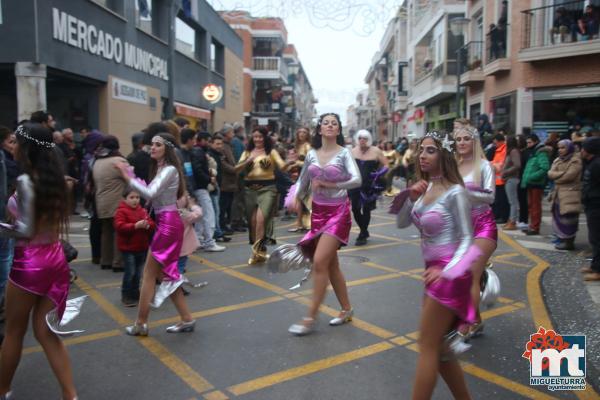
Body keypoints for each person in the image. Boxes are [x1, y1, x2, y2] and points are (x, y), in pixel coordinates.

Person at [0, 123, 83, 400]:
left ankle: (3, 390)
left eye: (16, 142)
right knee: (46, 333)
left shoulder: (25, 181)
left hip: (30, 263)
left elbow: (25, 230)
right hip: (55, 259)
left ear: (27, 148)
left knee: (14, 331)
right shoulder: (57, 181)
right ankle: (70, 395)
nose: (12, 146)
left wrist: (2, 226)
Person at [394, 131, 478, 400]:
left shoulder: (456, 193)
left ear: (444, 155)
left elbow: (468, 240)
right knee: (441, 350)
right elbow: (402, 223)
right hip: (434, 275)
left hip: (449, 275)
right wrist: (409, 196)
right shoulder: (426, 188)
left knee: (427, 346)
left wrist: (447, 270)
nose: (423, 155)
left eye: (430, 150)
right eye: (421, 150)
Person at [287, 113, 361, 336]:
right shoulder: (311, 154)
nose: (330, 126)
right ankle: (347, 309)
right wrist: (292, 199)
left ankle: (310, 317)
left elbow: (357, 180)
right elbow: (303, 181)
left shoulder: (344, 153)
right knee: (331, 265)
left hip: (338, 212)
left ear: (339, 130)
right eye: (325, 123)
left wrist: (329, 184)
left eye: (334, 123)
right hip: (317, 213)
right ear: (319, 129)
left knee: (319, 262)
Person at [115, 133, 195, 335]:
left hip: (168, 224)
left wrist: (128, 177)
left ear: (166, 149)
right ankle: (187, 319)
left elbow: (150, 193)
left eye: (157, 145)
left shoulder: (169, 169)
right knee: (168, 274)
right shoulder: (162, 168)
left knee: (149, 274)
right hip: (166, 222)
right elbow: (152, 196)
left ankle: (140, 323)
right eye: (151, 144)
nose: (153, 148)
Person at [453, 126, 497, 338]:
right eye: (458, 139)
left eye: (466, 139)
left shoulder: (485, 166)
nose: (461, 142)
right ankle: (476, 320)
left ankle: (468, 323)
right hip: (461, 228)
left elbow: (490, 196)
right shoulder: (454, 167)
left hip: (483, 225)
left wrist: (464, 190)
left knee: (471, 275)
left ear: (474, 142)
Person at [234, 127, 290, 265]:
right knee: (252, 223)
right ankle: (261, 248)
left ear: (265, 138)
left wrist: (290, 162)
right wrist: (247, 162)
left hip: (268, 189)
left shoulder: (271, 152)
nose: (258, 139)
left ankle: (257, 253)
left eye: (260, 136)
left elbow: (282, 167)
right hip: (249, 190)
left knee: (260, 221)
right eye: (255, 137)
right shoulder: (247, 152)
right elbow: (236, 169)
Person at [181, 130, 224, 253]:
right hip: (199, 187)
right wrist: (209, 179)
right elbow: (195, 171)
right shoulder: (196, 152)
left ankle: (199, 239)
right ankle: (209, 241)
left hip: (194, 188)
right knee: (208, 214)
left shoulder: (188, 153)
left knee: (201, 215)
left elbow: (190, 172)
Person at [114, 189, 155, 307]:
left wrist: (147, 225)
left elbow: (152, 224)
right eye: (132, 197)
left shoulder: (142, 211)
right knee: (130, 272)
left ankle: (135, 293)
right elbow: (119, 226)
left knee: (138, 273)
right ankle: (126, 295)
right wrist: (134, 226)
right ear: (125, 199)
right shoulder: (121, 211)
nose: (135, 200)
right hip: (128, 248)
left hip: (141, 247)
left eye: (137, 197)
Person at [92, 136, 128, 272]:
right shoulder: (119, 161)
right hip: (117, 201)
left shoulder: (97, 161)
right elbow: (131, 179)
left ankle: (105, 260)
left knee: (106, 232)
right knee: (119, 232)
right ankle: (118, 262)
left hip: (101, 202)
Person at [349, 129, 388, 246]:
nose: (362, 140)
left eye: (365, 138)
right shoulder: (352, 151)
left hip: (369, 185)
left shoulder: (376, 151)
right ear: (357, 139)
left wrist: (380, 173)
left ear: (369, 139)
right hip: (354, 185)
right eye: (360, 138)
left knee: (366, 209)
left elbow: (386, 164)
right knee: (355, 209)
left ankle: (362, 234)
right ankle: (364, 230)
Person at [547, 140, 582, 251]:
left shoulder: (575, 160)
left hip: (570, 195)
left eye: (563, 148)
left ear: (569, 148)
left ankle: (569, 242)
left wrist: (558, 177)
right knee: (558, 218)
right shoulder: (557, 160)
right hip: (557, 195)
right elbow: (550, 174)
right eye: (559, 148)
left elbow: (569, 176)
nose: (560, 150)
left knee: (569, 219)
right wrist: (561, 174)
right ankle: (562, 239)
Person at [520, 134, 551, 235]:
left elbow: (545, 168)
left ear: (536, 142)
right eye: (527, 143)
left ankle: (535, 227)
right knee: (531, 206)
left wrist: (532, 177)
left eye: (530, 142)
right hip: (531, 183)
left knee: (535, 206)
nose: (528, 145)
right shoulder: (533, 152)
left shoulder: (541, 153)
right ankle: (532, 225)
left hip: (536, 184)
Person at [580, 137, 600, 281]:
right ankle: (594, 266)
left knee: (597, 238)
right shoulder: (590, 163)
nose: (581, 151)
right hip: (590, 204)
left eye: (584, 148)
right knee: (593, 238)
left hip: (596, 205)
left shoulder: (597, 164)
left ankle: (598, 270)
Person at [288, 127, 312, 232]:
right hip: (298, 174)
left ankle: (304, 223)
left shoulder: (307, 146)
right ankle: (300, 223)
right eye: (300, 132)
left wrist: (297, 162)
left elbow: (311, 162)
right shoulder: (297, 146)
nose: (301, 134)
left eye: (304, 132)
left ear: (307, 135)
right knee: (300, 199)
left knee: (302, 198)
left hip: (306, 175)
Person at [219, 124, 239, 235]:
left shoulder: (229, 145)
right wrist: (234, 169)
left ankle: (226, 225)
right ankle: (222, 226)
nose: (233, 134)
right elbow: (223, 163)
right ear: (226, 133)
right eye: (231, 132)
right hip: (225, 181)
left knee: (228, 205)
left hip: (231, 181)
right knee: (223, 205)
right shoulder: (222, 145)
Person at [176, 192, 202, 277]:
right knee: (179, 268)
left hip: (169, 247)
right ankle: (177, 288)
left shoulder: (167, 212)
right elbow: (198, 214)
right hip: (183, 247)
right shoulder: (184, 213)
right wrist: (192, 205)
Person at [501, 136, 521, 230]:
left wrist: (505, 172)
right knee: (511, 201)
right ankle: (511, 220)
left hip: (512, 179)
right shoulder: (511, 151)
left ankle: (513, 221)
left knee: (513, 201)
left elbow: (517, 165)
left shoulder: (513, 151)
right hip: (509, 179)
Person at [491, 134, 508, 224]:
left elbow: (500, 165)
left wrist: (491, 165)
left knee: (502, 200)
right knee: (497, 200)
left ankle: (502, 217)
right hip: (497, 180)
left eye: (496, 142)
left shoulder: (504, 150)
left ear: (501, 141)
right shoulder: (498, 150)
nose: (495, 144)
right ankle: (497, 216)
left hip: (501, 180)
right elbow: (495, 162)